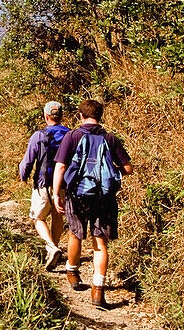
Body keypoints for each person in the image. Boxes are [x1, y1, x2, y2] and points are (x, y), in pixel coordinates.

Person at [52, 98, 133, 309]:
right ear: (100, 116)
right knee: (100, 243)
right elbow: (128, 168)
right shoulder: (110, 138)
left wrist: (56, 194)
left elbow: (60, 167)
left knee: (75, 234)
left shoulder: (72, 136)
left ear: (80, 115)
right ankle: (98, 292)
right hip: (104, 197)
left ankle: (73, 273)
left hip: (77, 194)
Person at [19, 100, 70, 271]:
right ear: (61, 116)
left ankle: (51, 247)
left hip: (43, 183)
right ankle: (54, 251)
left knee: (38, 218)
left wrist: (23, 176)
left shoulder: (39, 135)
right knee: (57, 216)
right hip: (63, 183)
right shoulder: (70, 135)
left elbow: (28, 161)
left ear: (46, 116)